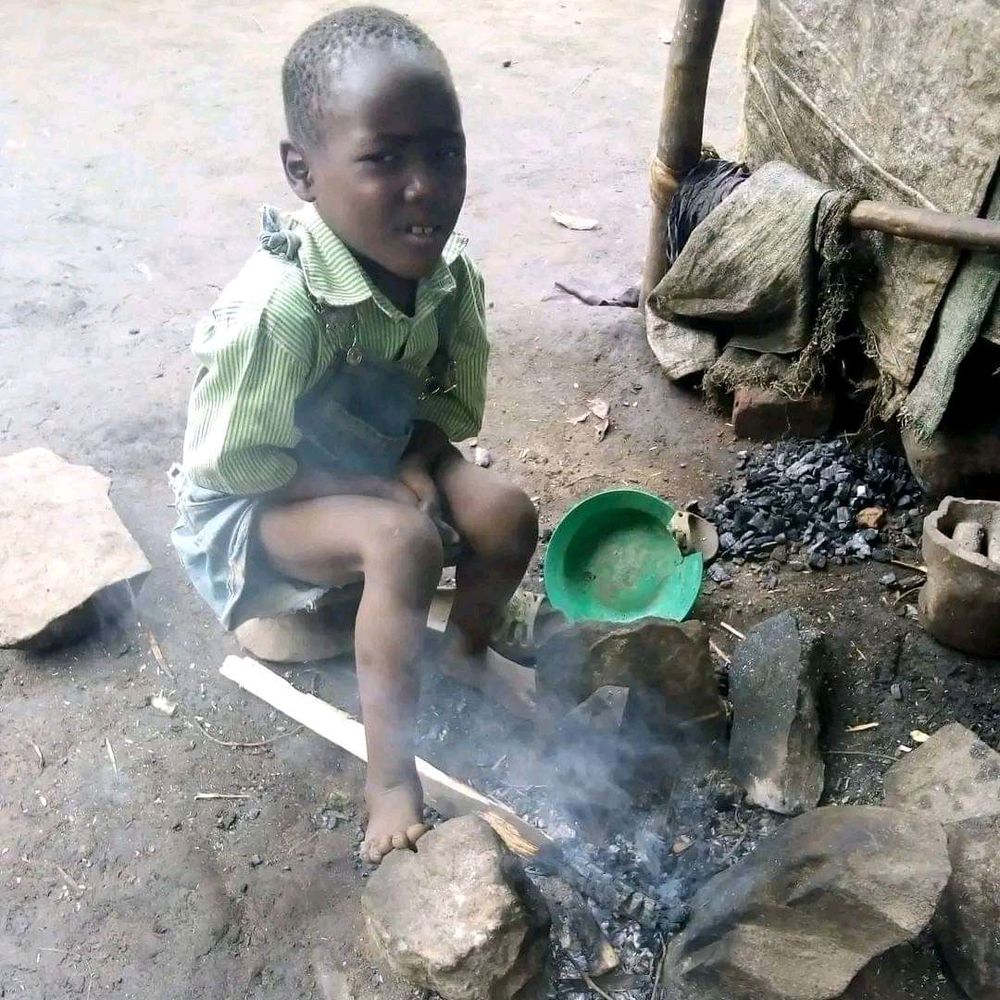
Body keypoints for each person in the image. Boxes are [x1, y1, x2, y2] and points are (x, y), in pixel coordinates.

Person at [172, 6, 538, 864]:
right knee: (402, 544)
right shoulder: (279, 307)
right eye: (384, 159)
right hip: (261, 504)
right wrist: (374, 488)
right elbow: (234, 464)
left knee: (506, 515)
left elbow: (449, 404)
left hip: (378, 456)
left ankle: (467, 651)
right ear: (302, 171)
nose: (425, 187)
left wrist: (418, 456)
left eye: (444, 153)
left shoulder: (447, 276)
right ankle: (389, 781)